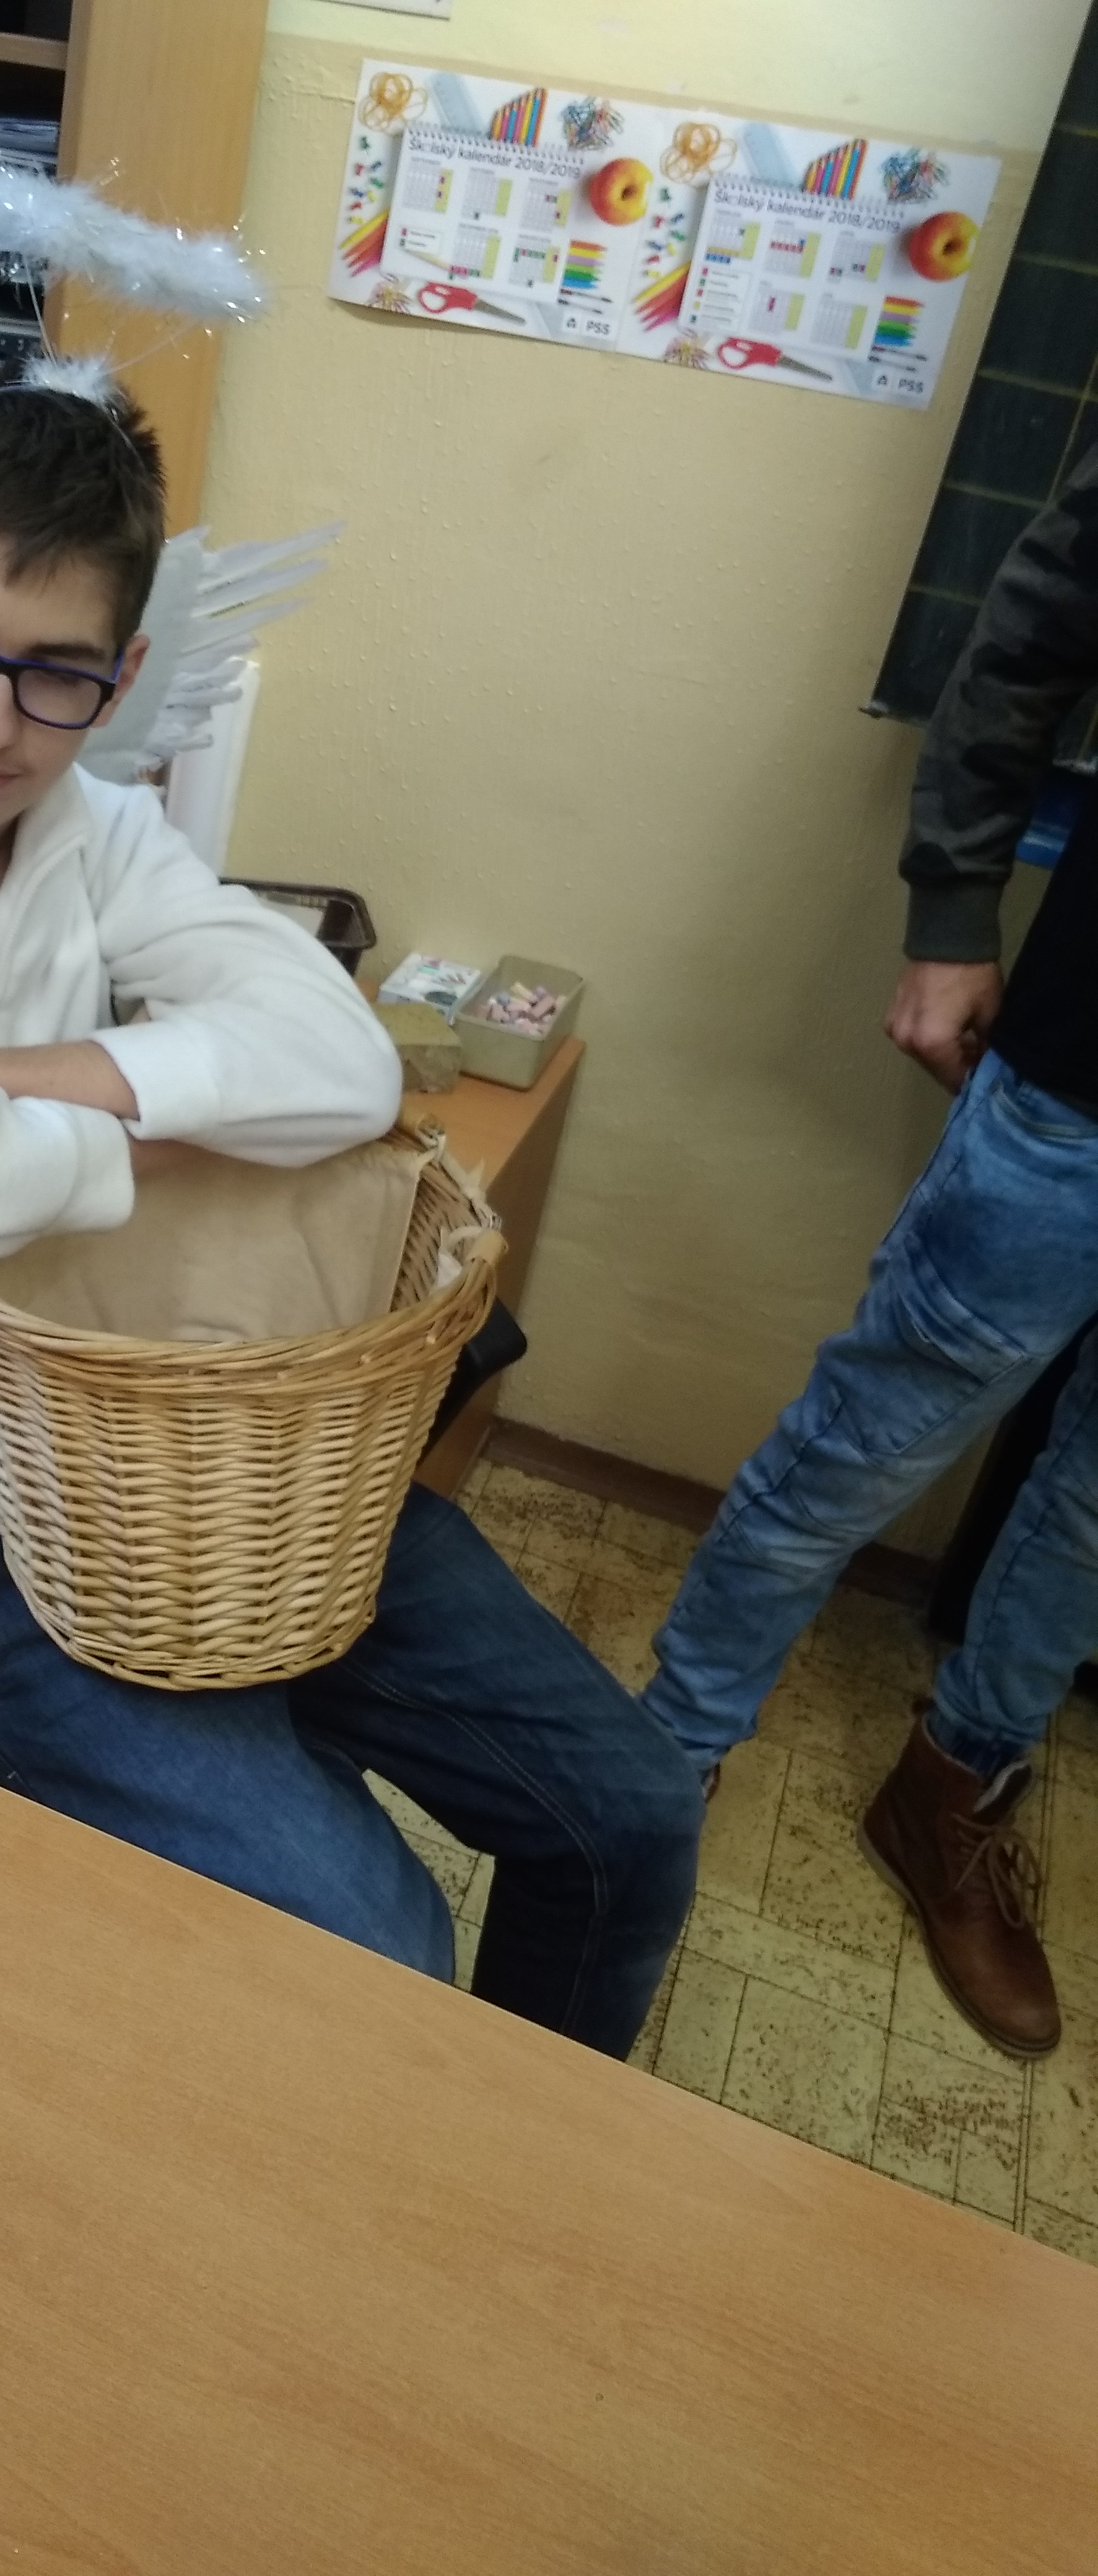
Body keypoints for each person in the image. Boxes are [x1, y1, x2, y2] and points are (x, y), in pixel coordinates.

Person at [0, 358, 700, 2057]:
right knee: (380, 1944)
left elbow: (344, 1065)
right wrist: (149, 1138)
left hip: (185, 1457)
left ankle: (521, 2158)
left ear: (122, 678)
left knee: (630, 1817)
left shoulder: (100, 834)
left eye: (57, 675)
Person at [642, 446, 1098, 2061]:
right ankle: (663, 1763)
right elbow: (1039, 624)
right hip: (1084, 1083)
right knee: (866, 1443)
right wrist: (955, 907)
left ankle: (951, 1791)